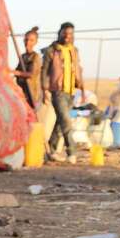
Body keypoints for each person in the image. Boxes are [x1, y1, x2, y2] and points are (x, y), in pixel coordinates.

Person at [40, 22, 84, 163]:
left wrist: (82, 89)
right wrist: (44, 89)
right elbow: (44, 71)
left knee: (60, 123)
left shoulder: (74, 51)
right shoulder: (51, 51)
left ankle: (52, 151)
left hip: (71, 90)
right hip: (57, 91)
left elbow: (78, 69)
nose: (67, 36)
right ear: (59, 33)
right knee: (66, 122)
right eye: (65, 33)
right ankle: (72, 152)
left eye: (70, 34)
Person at [13, 26, 43, 109]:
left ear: (35, 42)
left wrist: (16, 73)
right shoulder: (22, 57)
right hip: (22, 91)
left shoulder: (35, 57)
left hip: (32, 92)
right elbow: (17, 71)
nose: (28, 42)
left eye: (31, 40)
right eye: (26, 40)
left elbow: (31, 74)